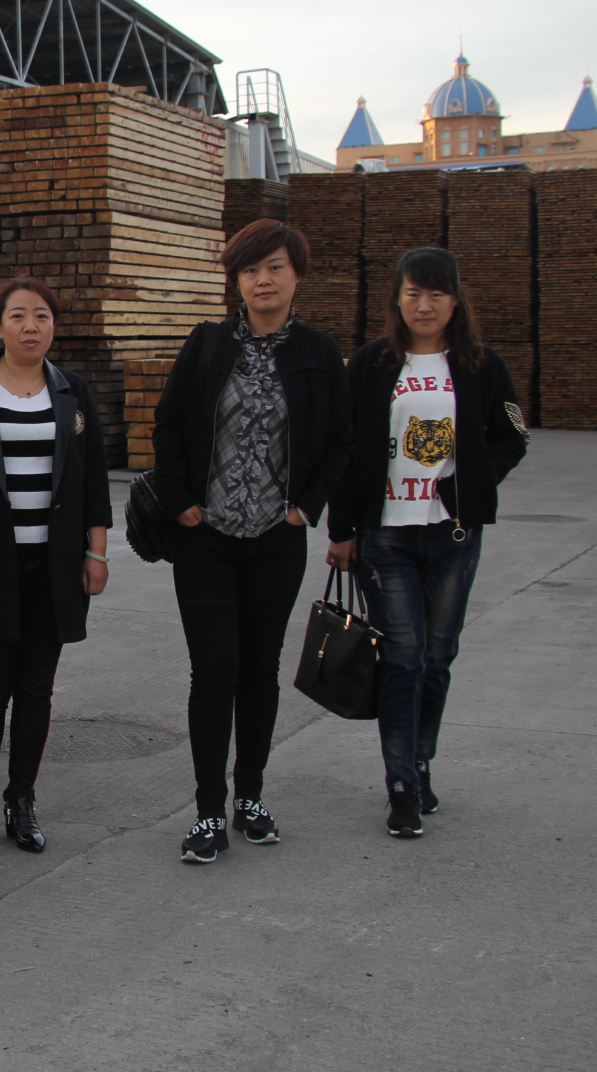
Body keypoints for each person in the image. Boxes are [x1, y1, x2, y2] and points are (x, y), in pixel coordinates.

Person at [151, 219, 351, 864]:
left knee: (260, 673)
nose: (263, 280)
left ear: (297, 276)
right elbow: (169, 423)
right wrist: (180, 500)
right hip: (205, 538)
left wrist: (305, 508)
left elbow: (341, 440)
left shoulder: (319, 352)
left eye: (274, 268)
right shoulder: (208, 344)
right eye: (250, 270)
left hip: (274, 540)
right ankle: (209, 810)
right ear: (236, 280)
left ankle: (252, 798)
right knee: (213, 673)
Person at [328, 246, 527, 840]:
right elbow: (343, 447)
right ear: (398, 298)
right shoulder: (370, 363)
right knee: (403, 659)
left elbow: (512, 436)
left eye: (437, 293)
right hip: (385, 534)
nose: (424, 304)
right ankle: (401, 785)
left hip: (453, 535)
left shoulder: (481, 365)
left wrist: (468, 484)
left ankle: (419, 761)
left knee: (438, 658)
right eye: (413, 292)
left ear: (455, 301)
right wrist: (342, 529)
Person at [0, 277, 112, 855]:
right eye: (18, 316)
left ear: (54, 325)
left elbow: (95, 478)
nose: (31, 326)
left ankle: (22, 798)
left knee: (37, 689)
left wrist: (97, 551)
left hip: (55, 563)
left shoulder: (72, 390)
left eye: (42, 316)